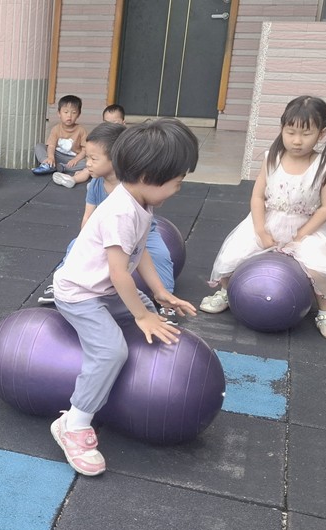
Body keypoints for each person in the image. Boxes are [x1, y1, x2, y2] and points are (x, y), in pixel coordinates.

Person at [50, 118, 199, 476]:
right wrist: (143, 315)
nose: (178, 189)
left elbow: (139, 252)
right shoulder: (120, 212)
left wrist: (159, 294)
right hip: (80, 294)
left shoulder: (141, 202)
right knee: (112, 351)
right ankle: (74, 423)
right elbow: (119, 274)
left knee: (147, 314)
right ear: (149, 176)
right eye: (177, 182)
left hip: (103, 290)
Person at [199, 95, 326, 342]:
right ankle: (226, 291)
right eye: (290, 132)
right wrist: (260, 229)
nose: (297, 141)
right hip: (269, 221)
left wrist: (302, 234)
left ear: (321, 134)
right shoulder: (272, 158)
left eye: (306, 134)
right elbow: (258, 196)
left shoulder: (324, 165)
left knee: (323, 268)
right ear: (282, 129)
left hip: (307, 227)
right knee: (232, 255)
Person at [39, 122, 177, 320]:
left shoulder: (134, 188)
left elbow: (139, 244)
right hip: (107, 234)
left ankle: (166, 300)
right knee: (75, 248)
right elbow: (88, 217)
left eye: (93, 159)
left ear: (115, 160)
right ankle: (62, 283)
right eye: (87, 158)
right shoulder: (96, 184)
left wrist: (160, 290)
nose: (88, 163)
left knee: (161, 255)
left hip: (142, 235)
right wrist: (86, 241)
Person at [54, 104, 127, 188]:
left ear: (123, 123)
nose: (111, 127)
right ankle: (73, 179)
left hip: (119, 172)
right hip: (101, 168)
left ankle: (95, 185)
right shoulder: (101, 138)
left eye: (115, 123)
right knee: (87, 169)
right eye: (107, 123)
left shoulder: (126, 138)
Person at [31, 94, 87, 176]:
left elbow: (85, 149)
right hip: (57, 155)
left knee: (87, 162)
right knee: (39, 146)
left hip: (72, 158)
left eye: (74, 113)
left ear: (78, 114)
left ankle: (60, 167)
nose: (69, 116)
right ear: (59, 113)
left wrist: (76, 159)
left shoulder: (81, 130)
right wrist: (50, 157)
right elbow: (51, 146)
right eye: (66, 112)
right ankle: (47, 163)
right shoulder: (56, 129)